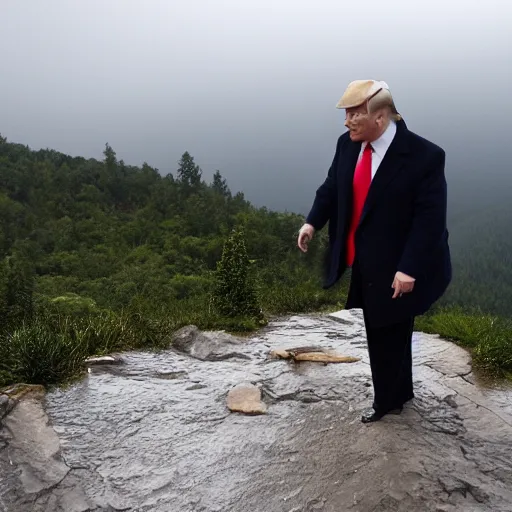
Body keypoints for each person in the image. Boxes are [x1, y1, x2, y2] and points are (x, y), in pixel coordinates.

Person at [298, 80, 451, 423]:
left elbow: (429, 220)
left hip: (400, 262)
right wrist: (312, 222)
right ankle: (399, 392)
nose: (346, 121)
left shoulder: (424, 157)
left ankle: (387, 404)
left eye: (353, 113)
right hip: (366, 257)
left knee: (386, 327)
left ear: (380, 118)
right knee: (388, 326)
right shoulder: (348, 145)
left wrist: (409, 268)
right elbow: (332, 187)